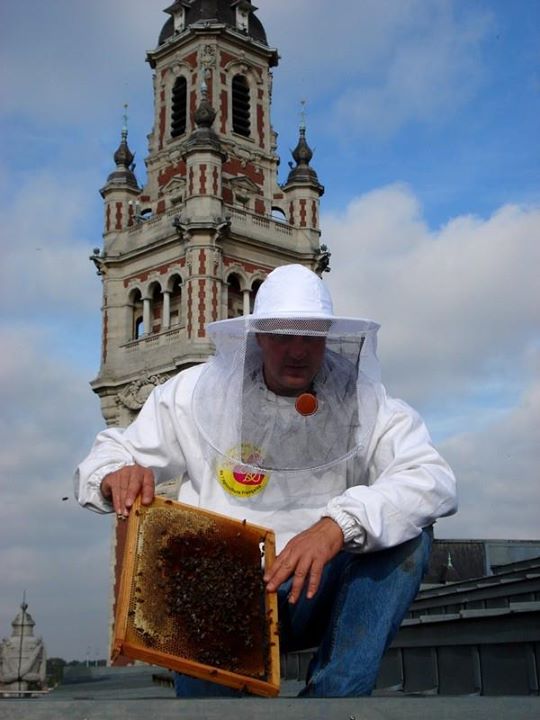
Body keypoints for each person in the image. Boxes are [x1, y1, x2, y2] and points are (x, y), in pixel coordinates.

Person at [75, 264, 457, 697]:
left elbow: (431, 477)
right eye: (282, 335)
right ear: (257, 335)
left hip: (312, 590)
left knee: (408, 534)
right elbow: (113, 452)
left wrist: (337, 526)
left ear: (327, 338)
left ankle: (334, 700)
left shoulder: (367, 402)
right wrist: (115, 474)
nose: (296, 350)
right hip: (218, 603)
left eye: (309, 335)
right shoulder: (194, 391)